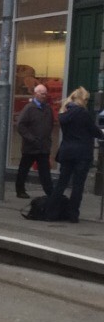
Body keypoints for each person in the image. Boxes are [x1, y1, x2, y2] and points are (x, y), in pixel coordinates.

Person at [51, 86, 104, 223]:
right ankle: (73, 214)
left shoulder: (64, 113)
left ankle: (51, 211)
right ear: (82, 99)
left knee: (61, 183)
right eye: (86, 99)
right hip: (82, 154)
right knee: (78, 185)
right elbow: (94, 131)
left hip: (67, 152)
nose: (87, 102)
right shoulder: (83, 114)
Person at [15, 83, 53, 199]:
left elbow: (50, 125)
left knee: (45, 171)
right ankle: (20, 190)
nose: (44, 96)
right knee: (24, 169)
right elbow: (20, 125)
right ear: (36, 94)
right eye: (42, 94)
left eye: (45, 94)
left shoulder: (47, 108)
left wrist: (47, 141)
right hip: (30, 146)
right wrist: (31, 138)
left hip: (43, 146)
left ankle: (50, 192)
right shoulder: (29, 108)